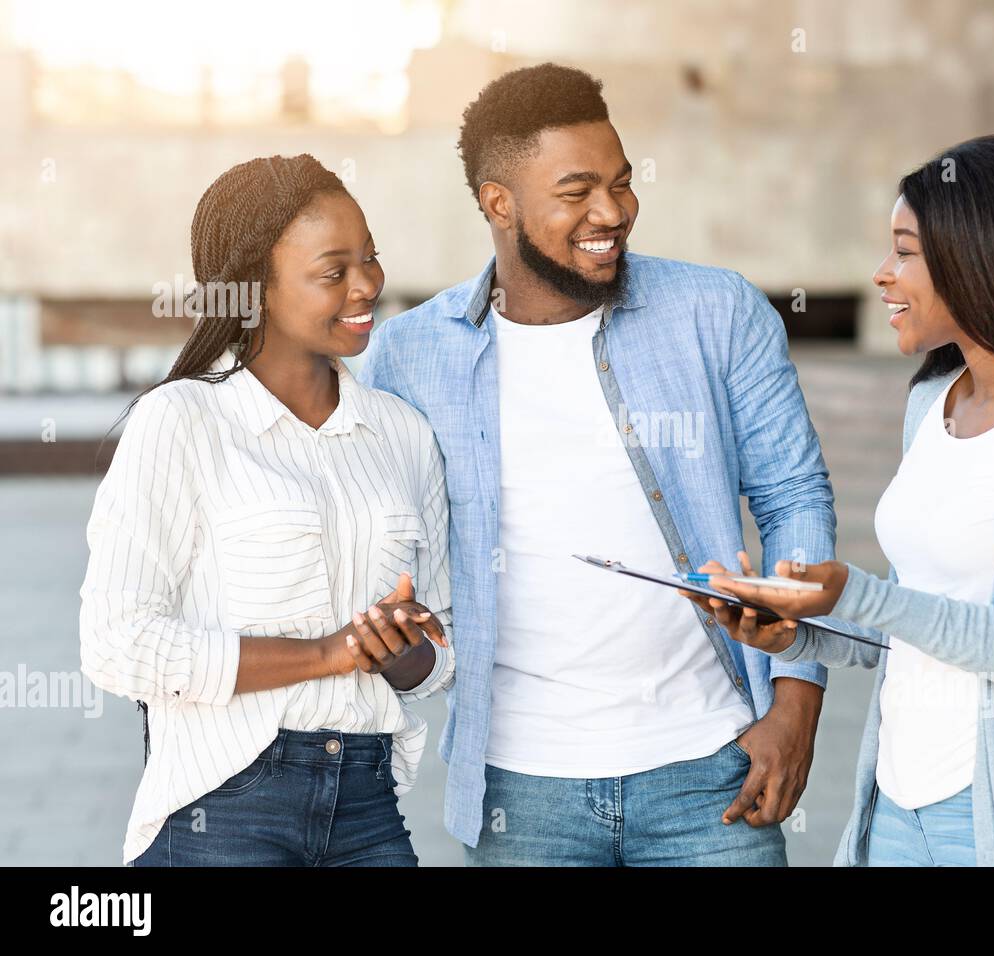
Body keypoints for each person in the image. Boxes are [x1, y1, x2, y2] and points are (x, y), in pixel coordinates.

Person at [360, 63, 832, 866]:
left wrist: (797, 703)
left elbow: (794, 496)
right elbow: (390, 558)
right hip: (521, 790)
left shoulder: (716, 314)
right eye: (576, 191)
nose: (611, 212)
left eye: (620, 182)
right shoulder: (408, 356)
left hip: (712, 772)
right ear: (497, 202)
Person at [691, 135, 994, 867]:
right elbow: (927, 617)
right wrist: (798, 632)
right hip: (896, 804)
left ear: (982, 256)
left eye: (904, 252)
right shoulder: (931, 401)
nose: (882, 275)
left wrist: (857, 594)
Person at [80, 154, 455, 866]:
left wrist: (405, 654)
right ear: (255, 292)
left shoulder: (403, 433)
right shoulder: (182, 421)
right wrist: (327, 653)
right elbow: (116, 642)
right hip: (226, 811)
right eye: (333, 271)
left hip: (369, 809)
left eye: (370, 258)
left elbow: (444, 654)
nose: (368, 284)